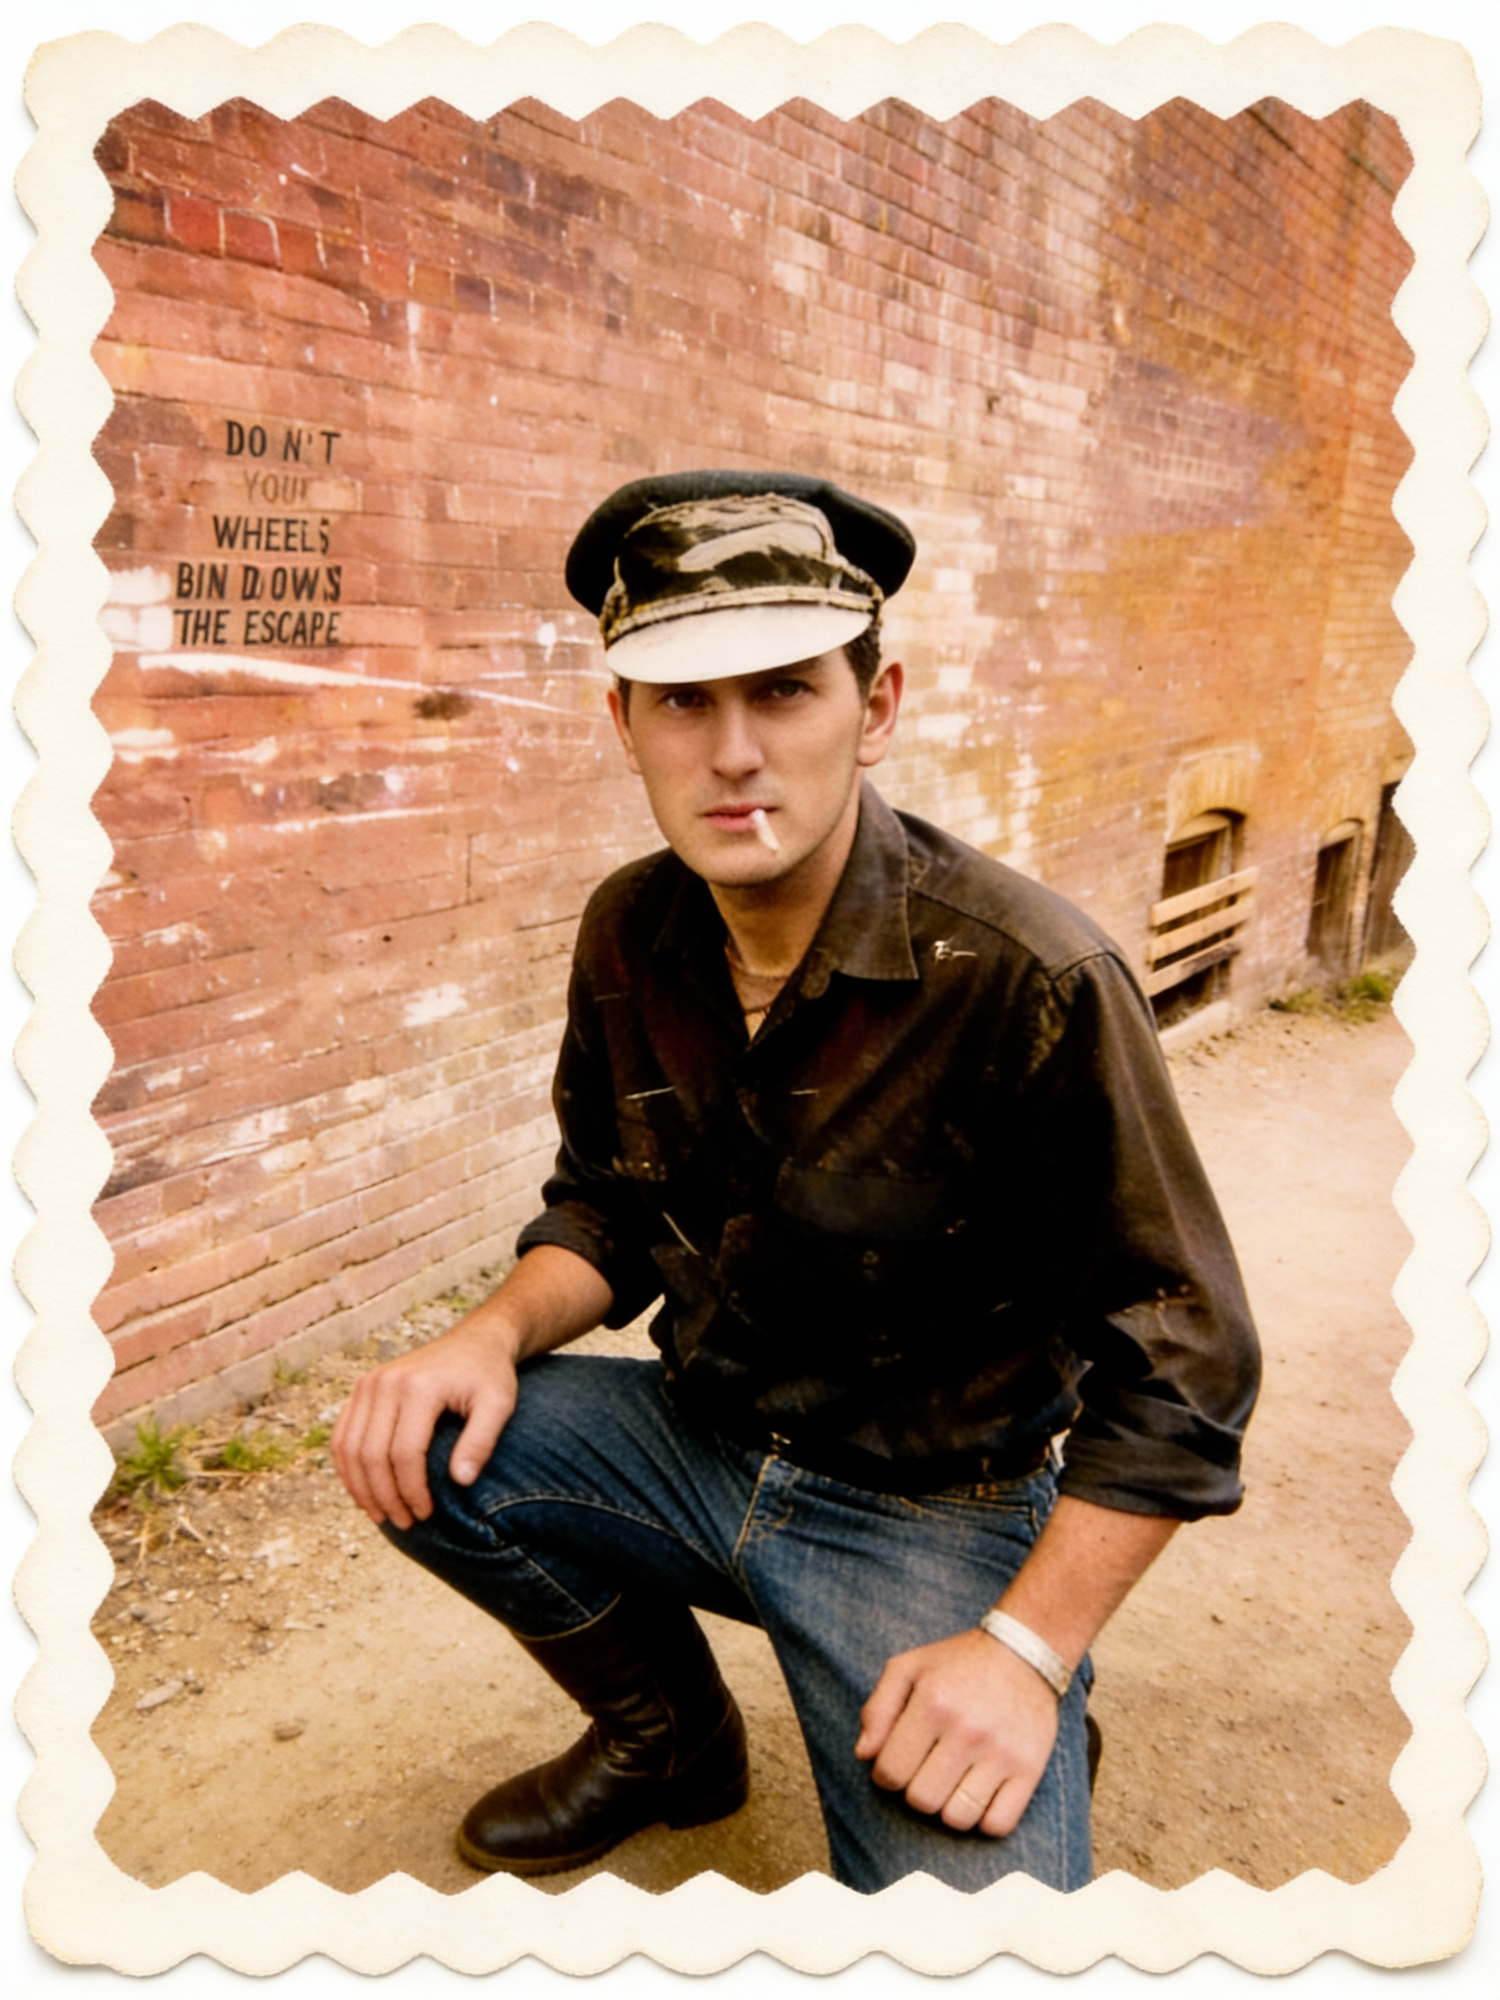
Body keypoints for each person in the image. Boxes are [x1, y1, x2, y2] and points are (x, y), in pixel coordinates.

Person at [332, 470, 1261, 1893]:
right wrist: (484, 1334)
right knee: (419, 1444)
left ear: (874, 708)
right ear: (623, 725)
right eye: (682, 701)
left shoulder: (1026, 976)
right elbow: (608, 1204)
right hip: (697, 1442)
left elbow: (1188, 1359)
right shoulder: (632, 928)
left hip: (934, 1511)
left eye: (782, 691)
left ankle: (1018, 1709)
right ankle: (669, 1743)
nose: (733, 753)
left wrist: (1023, 1652)